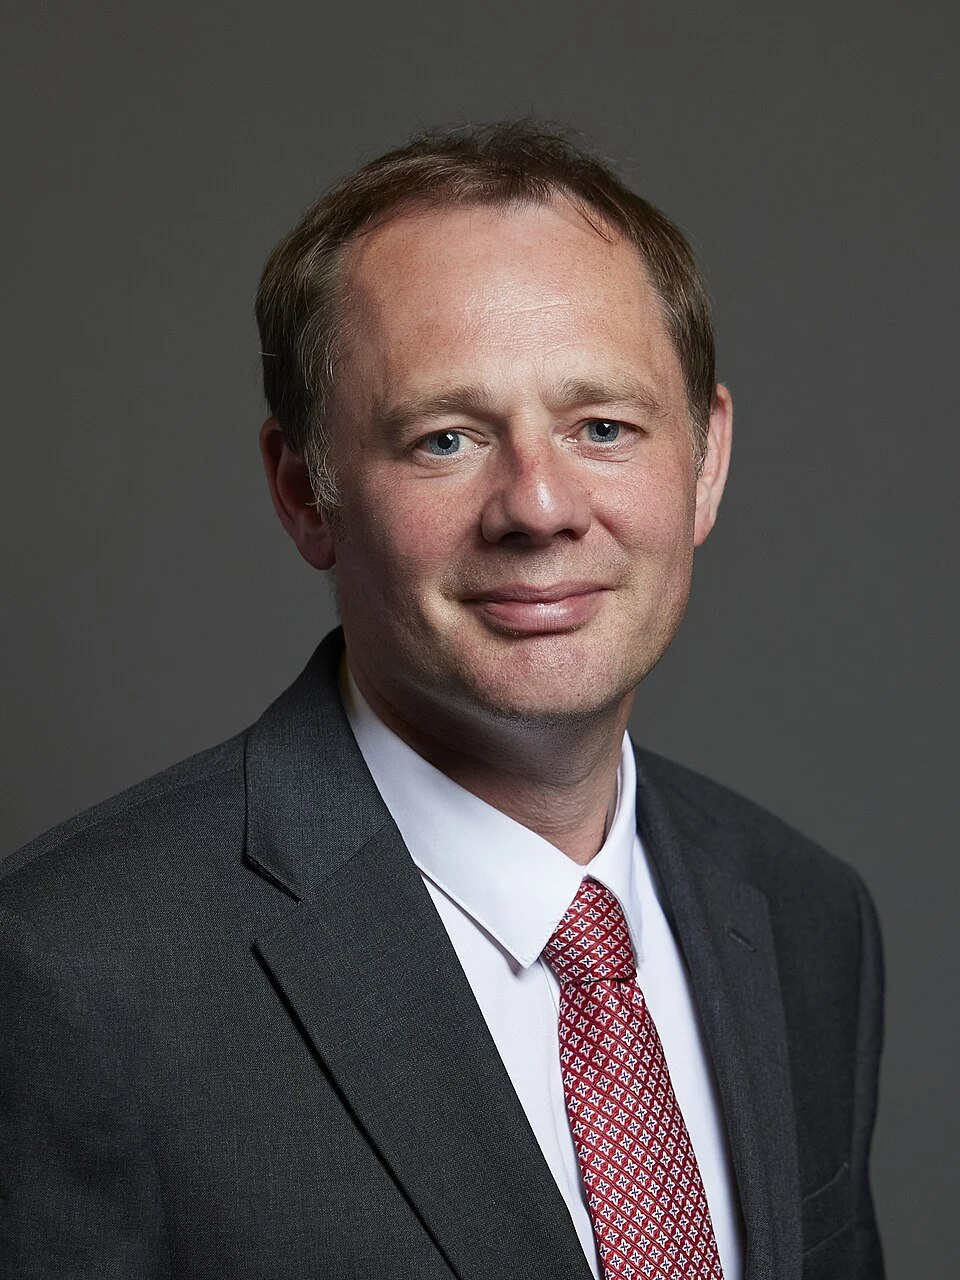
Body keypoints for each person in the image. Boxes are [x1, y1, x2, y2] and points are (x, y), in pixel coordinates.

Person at [0, 122, 883, 1279]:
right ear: (304, 492)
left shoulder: (806, 916)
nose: (539, 506)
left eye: (602, 427)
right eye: (446, 438)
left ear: (706, 460)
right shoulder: (73, 975)